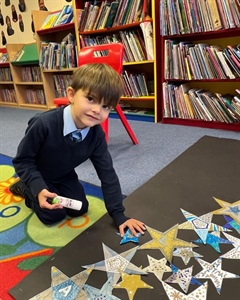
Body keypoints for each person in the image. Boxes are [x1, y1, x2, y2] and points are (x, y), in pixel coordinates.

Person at [10, 63, 146, 237]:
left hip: (64, 175)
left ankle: (45, 190)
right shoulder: (43, 124)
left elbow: (107, 173)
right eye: (90, 99)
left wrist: (119, 215)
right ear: (71, 95)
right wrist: (38, 188)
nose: (97, 110)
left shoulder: (96, 134)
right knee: (53, 214)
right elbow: (22, 160)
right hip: (38, 175)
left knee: (80, 208)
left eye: (106, 106)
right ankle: (24, 188)